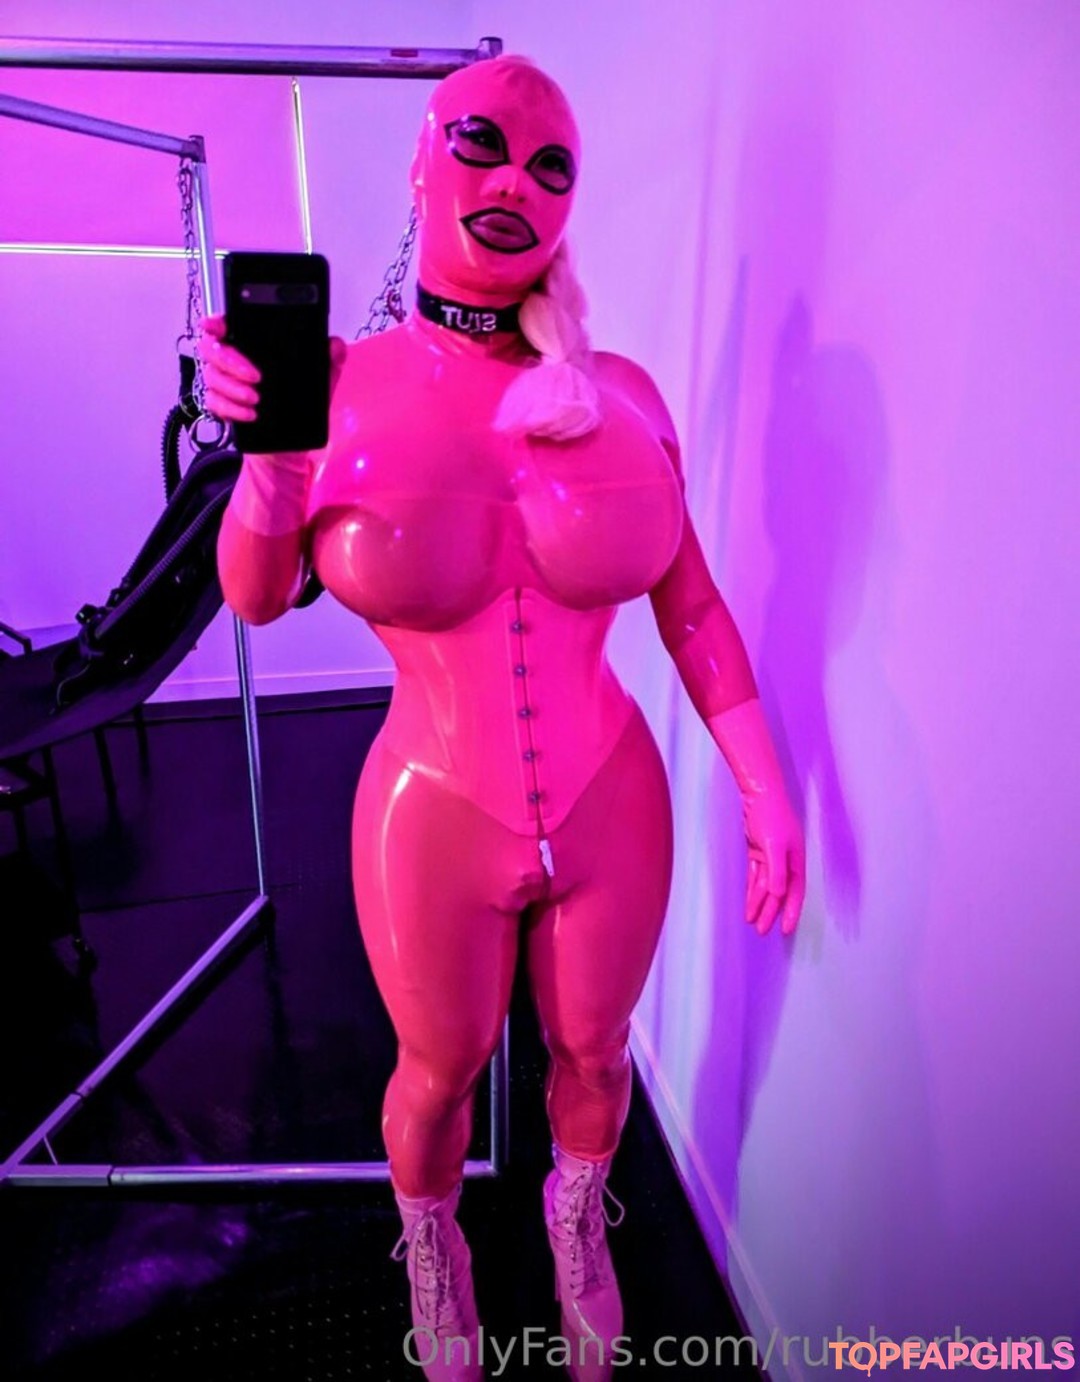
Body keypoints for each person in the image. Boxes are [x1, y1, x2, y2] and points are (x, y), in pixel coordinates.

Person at [200, 53, 805, 1382]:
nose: (514, 181)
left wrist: (766, 788)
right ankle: (434, 1244)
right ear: (422, 166)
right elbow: (255, 597)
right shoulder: (338, 388)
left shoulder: (623, 396)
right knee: (438, 1067)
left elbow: (694, 607)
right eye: (480, 145)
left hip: (610, 796)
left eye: (549, 165)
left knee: (595, 1050)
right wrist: (269, 468)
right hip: (432, 803)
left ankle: (576, 1221)